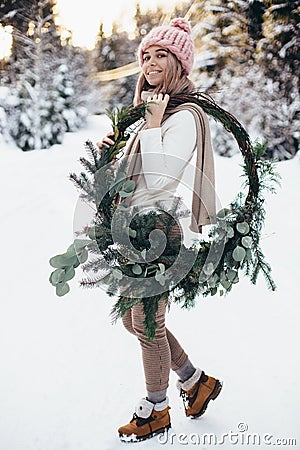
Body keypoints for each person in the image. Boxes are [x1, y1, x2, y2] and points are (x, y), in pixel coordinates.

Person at [97, 17, 222, 443]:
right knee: (136, 322)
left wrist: (151, 125)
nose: (150, 62)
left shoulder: (184, 115)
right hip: (135, 231)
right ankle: (194, 380)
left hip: (162, 233)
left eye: (161, 55)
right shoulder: (158, 111)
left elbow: (164, 176)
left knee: (147, 323)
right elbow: (137, 173)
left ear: (180, 64)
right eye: (146, 55)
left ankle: (156, 409)